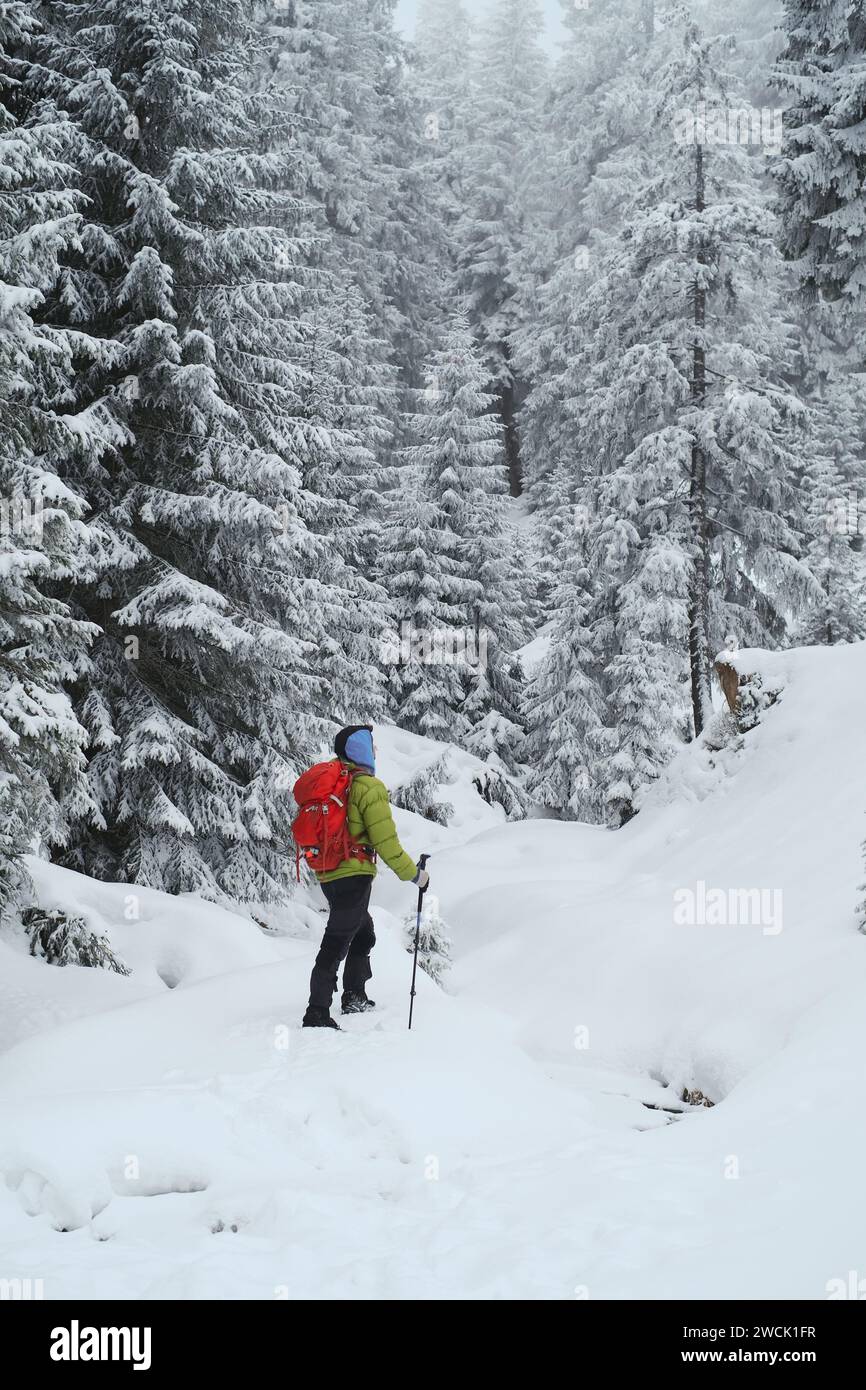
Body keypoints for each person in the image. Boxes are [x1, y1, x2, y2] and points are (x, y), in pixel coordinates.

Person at [302, 724, 430, 1029]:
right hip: (353, 874)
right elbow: (386, 842)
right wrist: (415, 876)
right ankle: (316, 1012)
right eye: (372, 746)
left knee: (363, 932)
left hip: (328, 874)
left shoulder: (340, 784)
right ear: (361, 750)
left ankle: (354, 996)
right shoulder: (368, 787)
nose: (375, 752)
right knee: (336, 941)